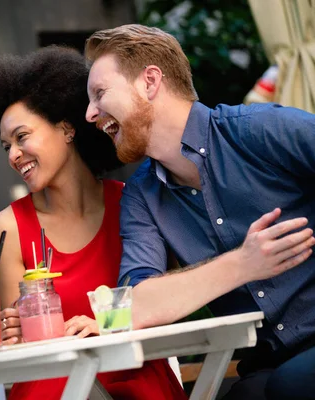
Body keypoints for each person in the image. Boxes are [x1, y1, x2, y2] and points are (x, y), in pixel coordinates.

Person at [84, 24, 315, 400]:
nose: (90, 114)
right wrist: (243, 263)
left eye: (100, 93)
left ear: (150, 81)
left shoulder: (262, 130)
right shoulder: (142, 196)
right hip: (268, 367)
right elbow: (134, 306)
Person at [0, 46, 186, 400]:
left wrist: (107, 328)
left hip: (138, 379)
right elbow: (19, 352)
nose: (13, 155)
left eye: (22, 137)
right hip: (55, 386)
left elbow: (167, 304)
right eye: (5, 146)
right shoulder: (8, 227)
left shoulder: (134, 202)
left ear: (67, 128)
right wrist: (12, 336)